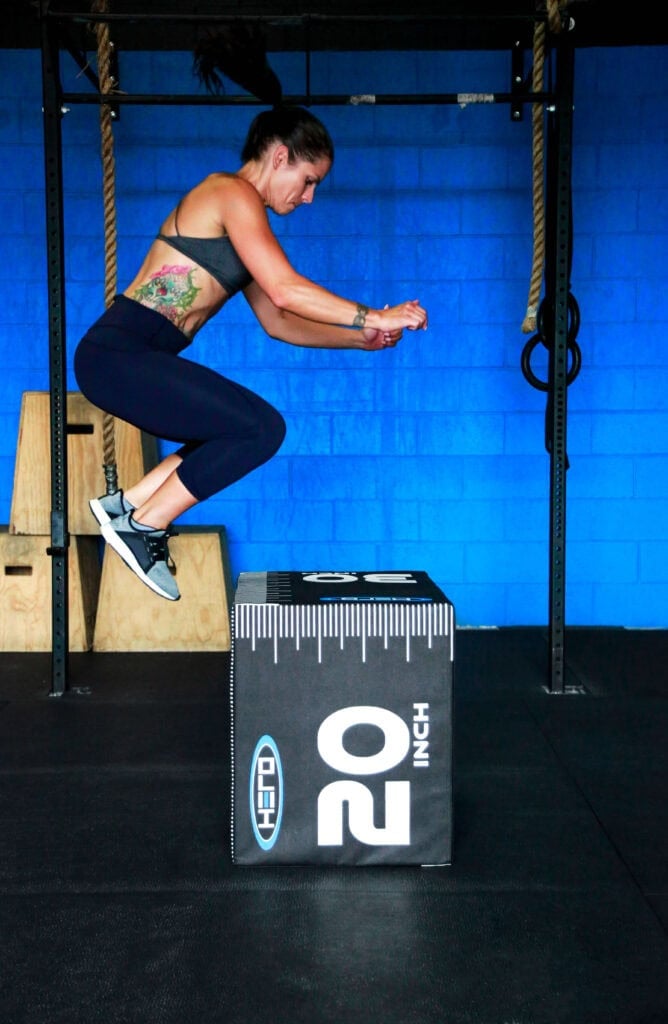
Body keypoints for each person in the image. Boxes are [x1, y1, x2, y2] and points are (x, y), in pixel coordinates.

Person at [74, 32, 428, 602]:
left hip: (133, 358)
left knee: (241, 427)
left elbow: (279, 321)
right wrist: (375, 312)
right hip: (119, 354)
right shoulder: (229, 193)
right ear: (280, 156)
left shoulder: (245, 220)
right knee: (259, 427)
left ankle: (130, 504)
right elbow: (287, 291)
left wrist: (364, 340)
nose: (308, 198)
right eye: (308, 180)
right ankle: (141, 525)